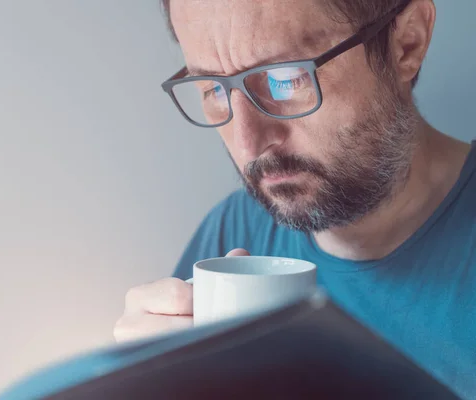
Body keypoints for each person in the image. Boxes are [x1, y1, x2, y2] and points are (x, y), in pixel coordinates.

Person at [114, 0, 476, 397]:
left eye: (285, 79)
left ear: (407, 42)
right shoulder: (233, 234)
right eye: (213, 89)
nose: (249, 143)